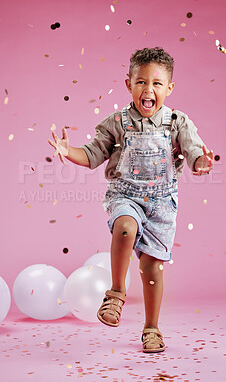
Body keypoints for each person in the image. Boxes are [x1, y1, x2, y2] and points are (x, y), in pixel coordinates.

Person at [48, 47, 214, 353]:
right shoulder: (116, 122)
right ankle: (116, 292)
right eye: (140, 82)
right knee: (124, 227)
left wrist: (199, 163)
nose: (148, 90)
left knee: (152, 269)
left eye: (156, 83)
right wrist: (67, 151)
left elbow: (193, 151)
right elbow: (92, 154)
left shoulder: (178, 122)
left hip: (162, 205)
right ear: (129, 84)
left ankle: (151, 327)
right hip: (126, 195)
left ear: (169, 88)